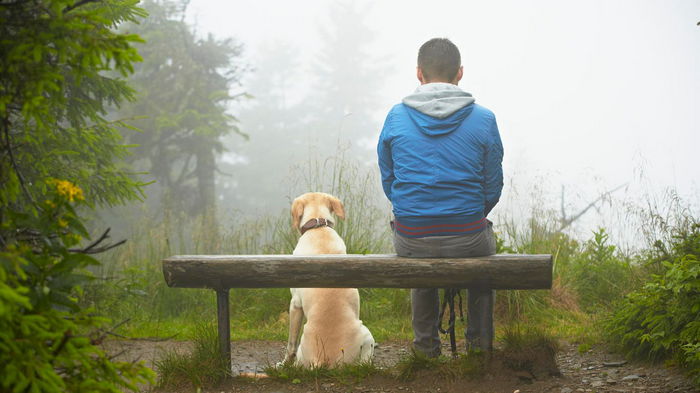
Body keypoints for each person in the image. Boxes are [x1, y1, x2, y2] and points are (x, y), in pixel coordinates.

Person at [376, 38, 504, 357]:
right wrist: (468, 214)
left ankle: (425, 350)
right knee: (482, 262)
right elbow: (493, 184)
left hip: (412, 236)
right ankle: (479, 348)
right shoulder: (484, 119)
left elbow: (389, 177)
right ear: (460, 73)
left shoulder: (395, 117)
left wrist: (414, 210)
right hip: (469, 236)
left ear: (419, 74)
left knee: (419, 255)